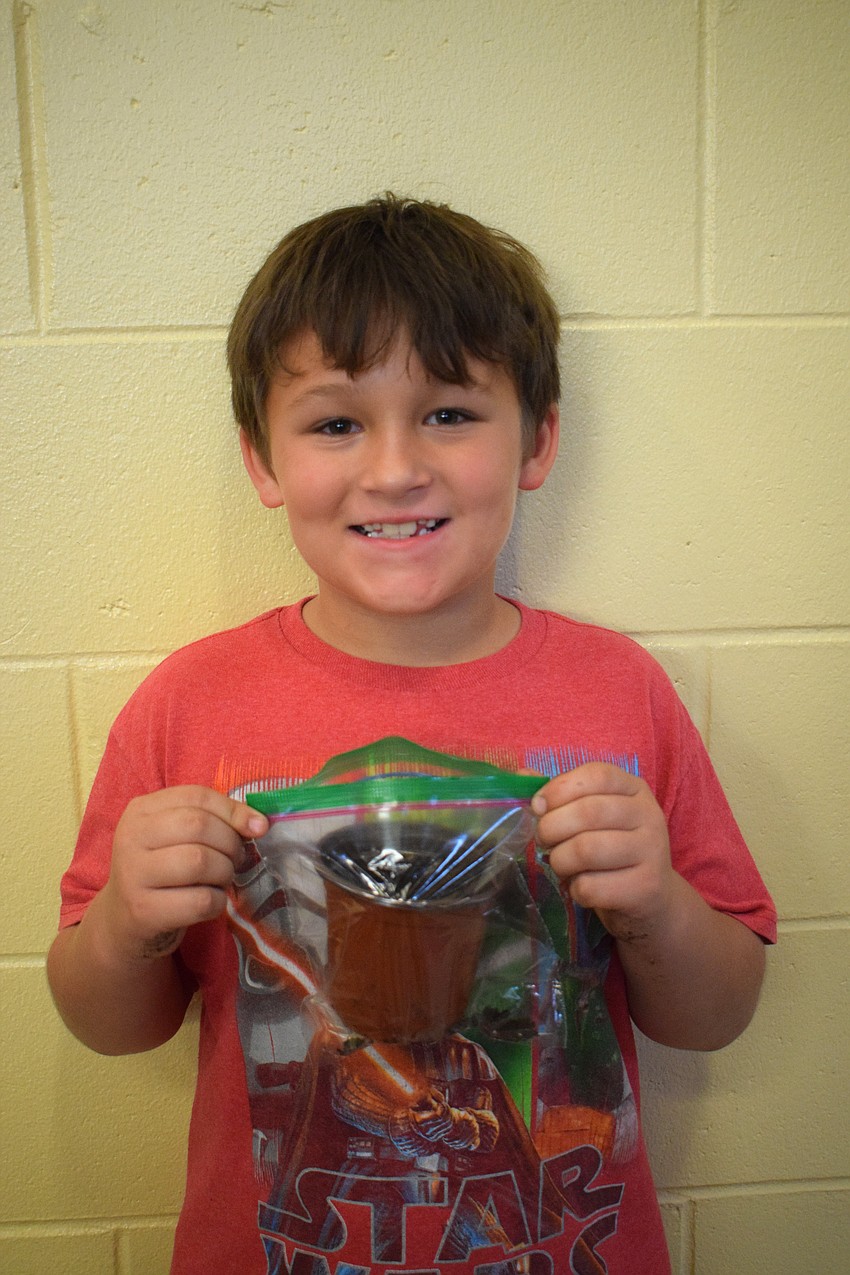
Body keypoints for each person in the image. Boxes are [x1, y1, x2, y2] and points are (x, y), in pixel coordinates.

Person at [47, 194, 776, 1275]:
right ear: (262, 460)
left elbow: (715, 1017)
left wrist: (656, 903)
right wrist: (126, 924)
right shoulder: (188, 702)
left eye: (448, 413)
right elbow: (108, 1024)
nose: (394, 468)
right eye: (336, 422)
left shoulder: (619, 691)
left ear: (537, 441)